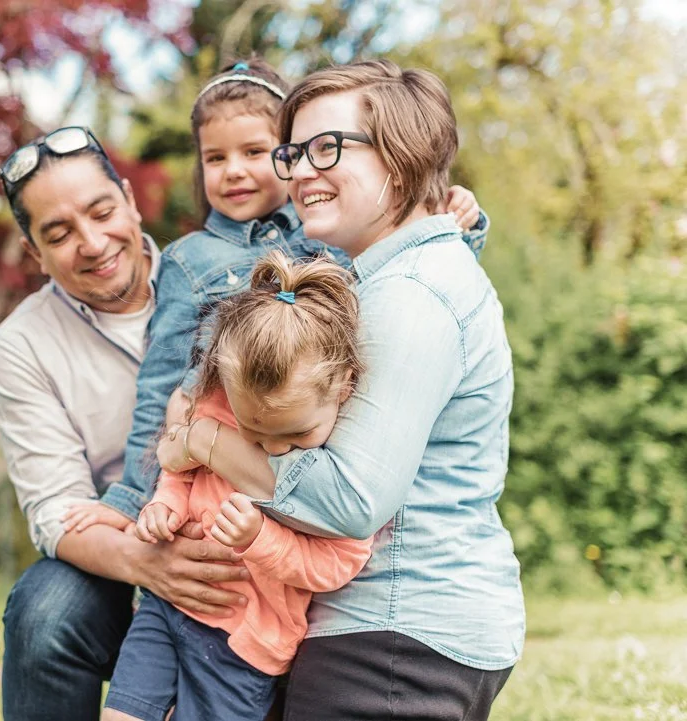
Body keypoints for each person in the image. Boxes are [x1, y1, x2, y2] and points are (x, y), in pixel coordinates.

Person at [163, 59, 525, 720]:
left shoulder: (409, 297)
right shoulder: (389, 276)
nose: (299, 171)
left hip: (395, 635)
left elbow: (351, 497)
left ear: (400, 155)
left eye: (327, 147)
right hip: (389, 633)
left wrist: (205, 441)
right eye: (294, 151)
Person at [62, 59, 488, 537]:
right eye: (215, 158)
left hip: (304, 457)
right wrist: (131, 498)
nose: (234, 172)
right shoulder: (191, 259)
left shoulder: (328, 242)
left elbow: (400, 288)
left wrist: (452, 224)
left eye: (255, 152)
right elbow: (161, 383)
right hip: (228, 464)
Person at [0, 126, 253, 721]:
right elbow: (56, 511)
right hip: (123, 549)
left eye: (102, 211)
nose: (91, 242)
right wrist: (146, 564)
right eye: (58, 234)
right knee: (45, 612)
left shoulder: (220, 276)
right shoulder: (22, 345)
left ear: (130, 202)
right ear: (34, 252)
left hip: (246, 531)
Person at [100, 251, 373, 721]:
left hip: (243, 640)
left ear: (343, 387)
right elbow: (181, 472)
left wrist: (260, 539)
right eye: (254, 432)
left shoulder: (344, 467)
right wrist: (164, 507)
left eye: (295, 435)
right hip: (168, 606)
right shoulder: (219, 405)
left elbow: (336, 563)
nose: (272, 448)